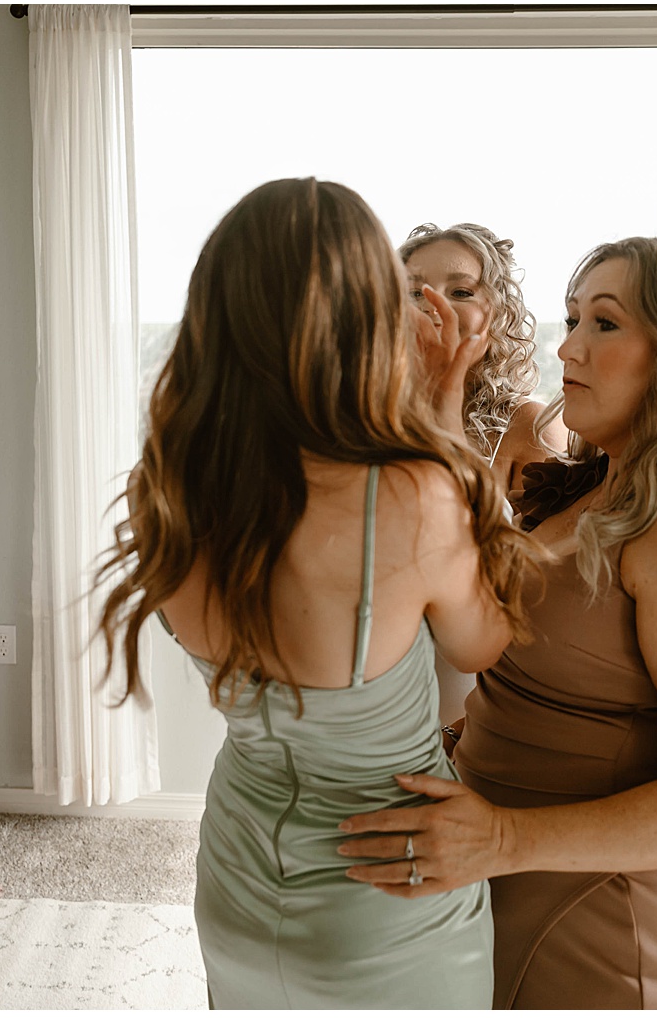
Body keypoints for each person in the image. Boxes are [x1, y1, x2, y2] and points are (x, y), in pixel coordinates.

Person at [342, 236, 657, 1008]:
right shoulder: (601, 484)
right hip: (508, 877)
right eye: (571, 318)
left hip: (611, 919)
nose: (567, 346)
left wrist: (501, 838)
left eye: (603, 323)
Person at [95, 177, 543, 1008]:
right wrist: (442, 410)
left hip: (236, 868)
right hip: (383, 892)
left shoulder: (162, 481)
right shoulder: (413, 494)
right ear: (365, 312)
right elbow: (480, 646)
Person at [400, 222, 569, 723]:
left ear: (495, 313)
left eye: (460, 290)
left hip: (475, 702)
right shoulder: (357, 424)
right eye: (414, 289)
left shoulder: (528, 427)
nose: (434, 301)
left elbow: (541, 597)